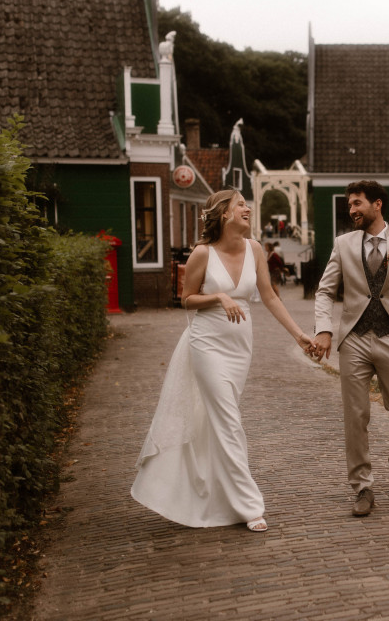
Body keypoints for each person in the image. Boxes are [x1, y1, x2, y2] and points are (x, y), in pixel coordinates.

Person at [131, 189, 312, 532]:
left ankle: (205, 493)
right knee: (229, 422)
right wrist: (218, 296)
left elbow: (270, 296)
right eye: (241, 204)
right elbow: (186, 300)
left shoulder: (255, 249)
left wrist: (298, 334)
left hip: (240, 349)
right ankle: (249, 506)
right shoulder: (203, 253)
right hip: (207, 345)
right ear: (225, 214)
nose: (247, 209)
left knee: (216, 424)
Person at [309, 180, 389, 517]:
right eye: (349, 205)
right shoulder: (344, 244)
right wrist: (325, 330)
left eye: (357, 203)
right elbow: (324, 291)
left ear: (377, 204)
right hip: (354, 341)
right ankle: (362, 486)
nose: (352, 210)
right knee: (356, 416)